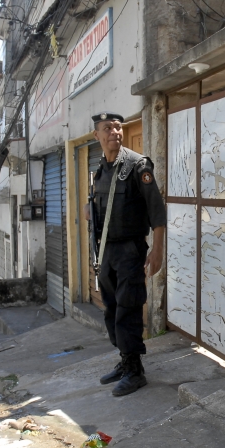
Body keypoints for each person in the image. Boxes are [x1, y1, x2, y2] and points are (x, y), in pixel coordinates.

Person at [87, 112, 166, 396]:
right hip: (107, 249)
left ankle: (135, 371)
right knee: (111, 307)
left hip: (131, 250)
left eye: (118, 127)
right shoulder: (100, 170)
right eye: (107, 128)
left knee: (128, 307)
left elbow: (157, 210)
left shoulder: (136, 165)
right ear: (96, 136)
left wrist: (157, 250)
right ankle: (125, 359)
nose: (115, 132)